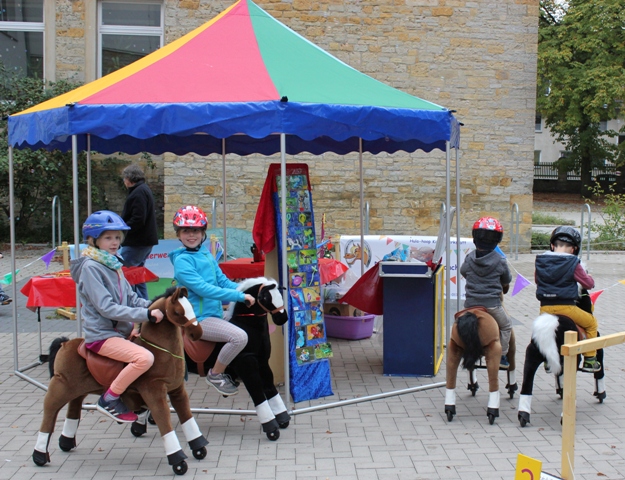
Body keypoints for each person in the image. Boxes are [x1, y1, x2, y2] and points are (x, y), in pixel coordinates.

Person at [71, 210, 164, 422]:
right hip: (102, 336)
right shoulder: (91, 268)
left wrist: (156, 305)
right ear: (92, 240)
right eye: (108, 237)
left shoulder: (113, 263)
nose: (114, 242)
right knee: (144, 358)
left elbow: (131, 298)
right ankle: (109, 398)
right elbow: (107, 308)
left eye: (117, 237)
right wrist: (145, 315)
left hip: (121, 331)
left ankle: (140, 400)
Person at [169, 205, 253, 396]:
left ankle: (234, 369)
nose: (192, 235)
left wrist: (248, 289)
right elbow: (204, 289)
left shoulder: (205, 253)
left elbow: (222, 281)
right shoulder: (182, 261)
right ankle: (216, 374)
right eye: (186, 231)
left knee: (248, 325)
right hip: (198, 319)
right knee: (239, 337)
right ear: (179, 234)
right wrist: (239, 296)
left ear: (203, 232)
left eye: (196, 230)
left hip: (214, 313)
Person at [535, 226, 600, 373]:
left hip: (544, 308)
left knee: (543, 331)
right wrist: (588, 277)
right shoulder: (573, 262)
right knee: (591, 323)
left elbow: (537, 280)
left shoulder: (541, 260)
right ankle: (590, 359)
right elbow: (588, 284)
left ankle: (547, 360)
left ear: (552, 245)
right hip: (566, 307)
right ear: (574, 249)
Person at [460, 216, 513, 369]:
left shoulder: (469, 258)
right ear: (497, 240)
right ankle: (502, 355)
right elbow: (506, 280)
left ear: (475, 238)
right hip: (492, 305)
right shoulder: (500, 260)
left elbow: (464, 272)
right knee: (506, 326)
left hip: (470, 305)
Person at [119, 164, 159, 300]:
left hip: (137, 242)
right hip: (144, 241)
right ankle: (144, 304)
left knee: (125, 272)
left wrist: (122, 230)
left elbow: (138, 219)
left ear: (129, 178)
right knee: (138, 274)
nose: (124, 182)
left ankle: (132, 304)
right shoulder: (142, 190)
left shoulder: (138, 193)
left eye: (124, 178)